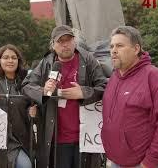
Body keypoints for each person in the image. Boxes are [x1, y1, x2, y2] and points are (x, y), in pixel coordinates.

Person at [22, 25, 107, 168]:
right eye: (60, 41)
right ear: (53, 45)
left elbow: (104, 87)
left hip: (85, 137)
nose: (65, 44)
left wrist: (84, 93)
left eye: (68, 39)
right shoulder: (46, 63)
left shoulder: (88, 60)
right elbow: (26, 86)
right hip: (57, 138)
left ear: (75, 42)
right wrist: (43, 90)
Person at [101, 26, 158, 168]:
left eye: (120, 45)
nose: (113, 50)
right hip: (116, 161)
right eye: (112, 46)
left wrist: (149, 162)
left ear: (136, 49)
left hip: (146, 163)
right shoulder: (114, 78)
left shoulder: (156, 78)